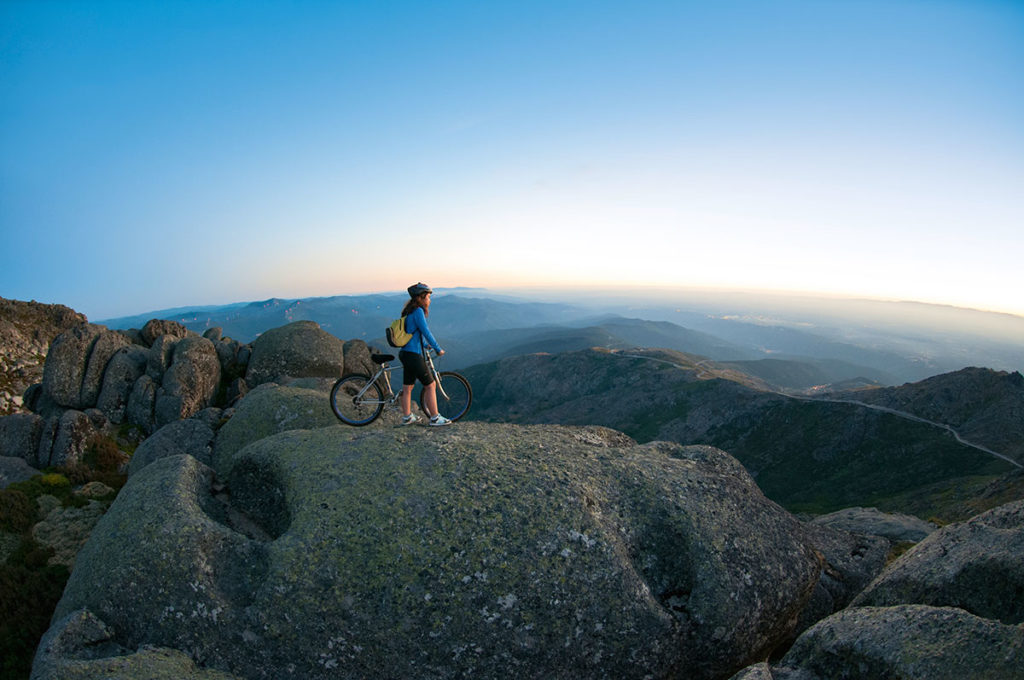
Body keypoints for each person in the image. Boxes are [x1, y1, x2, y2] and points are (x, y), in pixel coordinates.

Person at [399, 282, 452, 426]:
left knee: (407, 388)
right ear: (421, 297)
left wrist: (424, 345)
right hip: (413, 355)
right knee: (430, 385)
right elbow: (425, 331)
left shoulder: (408, 311)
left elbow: (411, 334)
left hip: (405, 353)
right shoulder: (418, 312)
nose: (430, 300)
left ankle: (407, 417)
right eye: (428, 297)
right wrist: (437, 348)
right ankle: (435, 418)